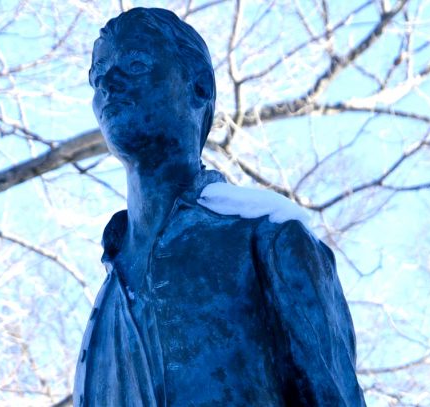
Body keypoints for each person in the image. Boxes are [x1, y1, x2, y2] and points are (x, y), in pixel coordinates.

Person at [72, 8, 366, 406]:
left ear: (199, 87)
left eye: (136, 64)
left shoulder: (268, 238)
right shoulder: (109, 291)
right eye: (97, 76)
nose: (107, 83)